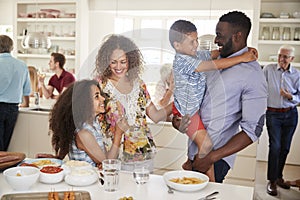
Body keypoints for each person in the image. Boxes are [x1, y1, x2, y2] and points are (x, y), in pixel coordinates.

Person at [172, 11, 268, 183]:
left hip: (215, 159)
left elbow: (253, 129)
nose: (215, 40)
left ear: (237, 36)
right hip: (194, 151)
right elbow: (194, 98)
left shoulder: (253, 74)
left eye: (220, 36)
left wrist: (211, 158)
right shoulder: (210, 63)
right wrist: (177, 121)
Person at [95, 34, 172, 171]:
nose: (118, 66)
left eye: (123, 61)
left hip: (143, 156)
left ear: (130, 61)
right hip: (114, 157)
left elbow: (156, 116)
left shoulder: (139, 85)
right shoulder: (100, 85)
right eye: (113, 62)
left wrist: (178, 102)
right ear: (106, 61)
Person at [45, 79, 128, 168]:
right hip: (86, 179)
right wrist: (118, 134)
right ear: (84, 103)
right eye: (97, 96)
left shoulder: (94, 124)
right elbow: (107, 164)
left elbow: (103, 159)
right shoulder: (84, 134)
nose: (103, 98)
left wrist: (57, 158)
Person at [263, 45, 300, 196]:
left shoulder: (297, 75)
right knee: (275, 146)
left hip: (290, 114)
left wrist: (290, 97)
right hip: (273, 114)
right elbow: (260, 87)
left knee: (285, 148)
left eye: (285, 57)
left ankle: (279, 177)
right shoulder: (268, 69)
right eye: (280, 56)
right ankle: (271, 181)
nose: (281, 59)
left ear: (292, 59)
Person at [0, 35, 31, 151]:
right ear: (11, 48)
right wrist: (26, 103)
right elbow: (26, 89)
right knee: (5, 142)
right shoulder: (21, 65)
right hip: (13, 109)